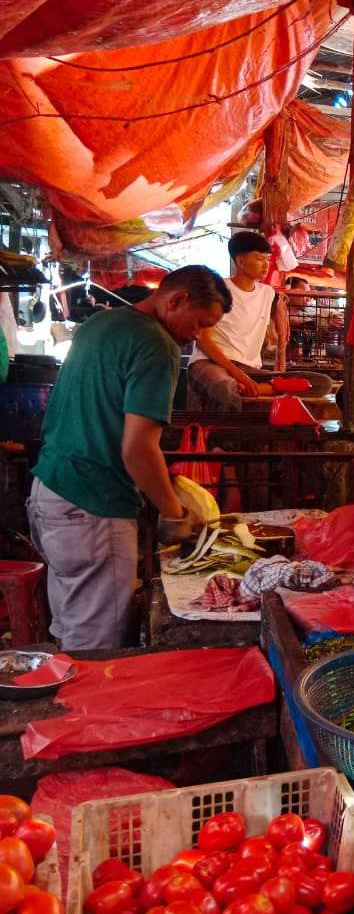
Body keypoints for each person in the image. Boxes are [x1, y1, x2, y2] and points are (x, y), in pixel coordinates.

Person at [26, 266, 232, 649]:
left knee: (71, 627)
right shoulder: (156, 344)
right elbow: (138, 449)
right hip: (94, 504)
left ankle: (66, 703)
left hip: (49, 494)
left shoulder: (100, 324)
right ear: (177, 299)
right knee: (98, 646)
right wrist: (173, 513)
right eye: (200, 323)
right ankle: (88, 709)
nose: (197, 336)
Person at [187, 231, 332, 411]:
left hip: (250, 370)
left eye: (267, 258)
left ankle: (250, 389)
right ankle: (232, 426)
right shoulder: (218, 289)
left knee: (320, 382)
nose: (266, 264)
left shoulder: (267, 293)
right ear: (240, 261)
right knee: (223, 387)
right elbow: (203, 340)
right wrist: (236, 373)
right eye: (259, 259)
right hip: (211, 363)